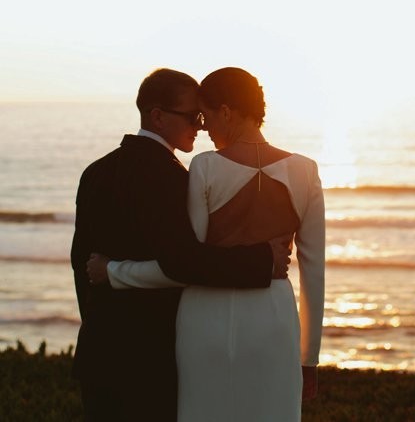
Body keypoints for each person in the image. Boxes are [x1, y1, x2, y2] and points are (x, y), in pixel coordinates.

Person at [88, 67, 325, 422]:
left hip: (204, 322)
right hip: (274, 323)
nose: (202, 128)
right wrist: (309, 358)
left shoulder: (205, 167)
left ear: (227, 112)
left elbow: (183, 267)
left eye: (206, 115)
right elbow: (314, 272)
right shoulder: (306, 171)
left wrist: (114, 271)